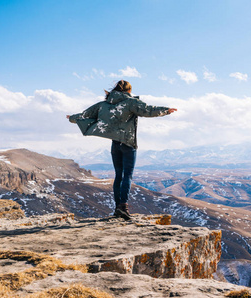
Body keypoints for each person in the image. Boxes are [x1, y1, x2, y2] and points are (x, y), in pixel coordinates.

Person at [67, 80, 177, 220]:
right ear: (129, 91)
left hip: (115, 144)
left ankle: (118, 208)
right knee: (127, 176)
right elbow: (148, 110)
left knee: (118, 175)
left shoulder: (104, 105)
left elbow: (84, 115)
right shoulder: (130, 103)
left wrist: (72, 118)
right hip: (128, 143)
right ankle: (123, 207)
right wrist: (166, 110)